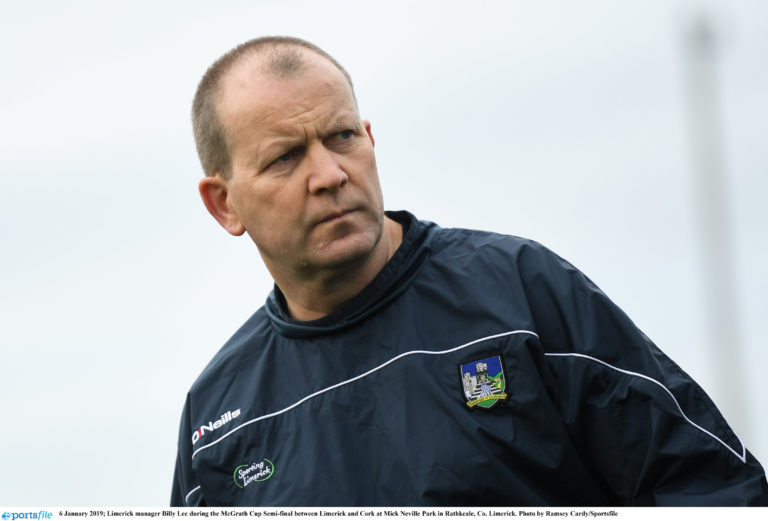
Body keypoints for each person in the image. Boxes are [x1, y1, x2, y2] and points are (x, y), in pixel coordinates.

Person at [171, 36, 768, 507]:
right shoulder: (216, 421)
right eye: (285, 157)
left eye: (342, 136)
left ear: (370, 138)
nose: (329, 174)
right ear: (224, 205)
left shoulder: (521, 294)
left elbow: (712, 489)